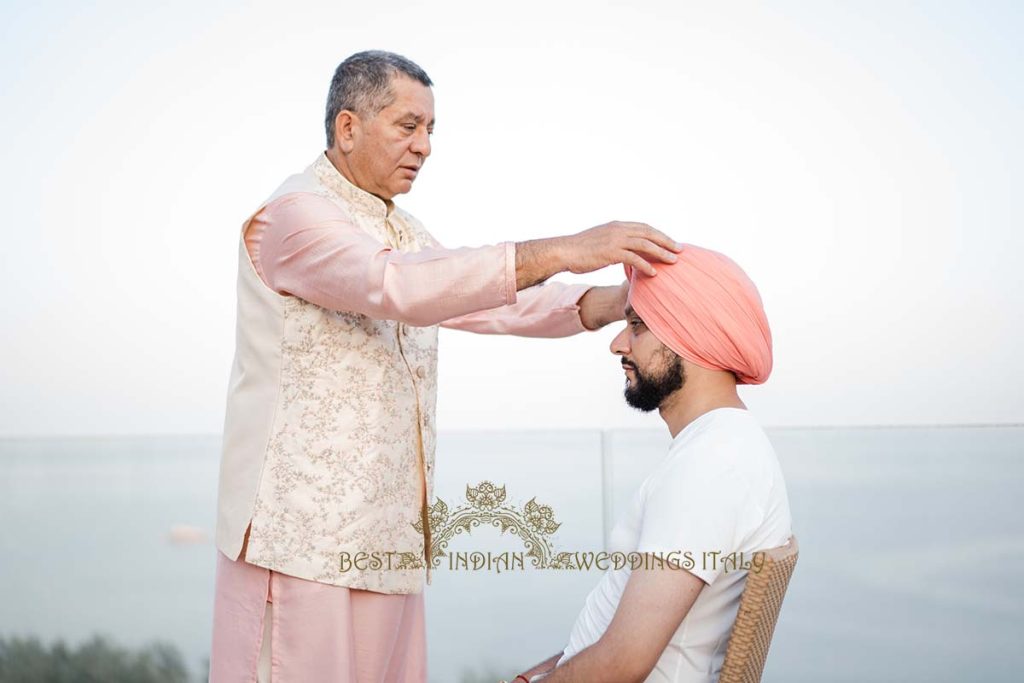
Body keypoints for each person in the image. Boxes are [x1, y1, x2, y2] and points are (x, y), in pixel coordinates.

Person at [207, 50, 682, 683]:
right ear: (348, 128)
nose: (425, 146)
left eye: (431, 130)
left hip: (387, 540)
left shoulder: (402, 229)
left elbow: (487, 303)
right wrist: (567, 249)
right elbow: (396, 286)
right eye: (409, 126)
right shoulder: (293, 217)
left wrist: (618, 301)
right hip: (298, 547)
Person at [510, 245, 793, 683]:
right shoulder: (723, 446)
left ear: (693, 335)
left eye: (637, 326)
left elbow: (624, 662)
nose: (617, 344)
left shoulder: (710, 465)